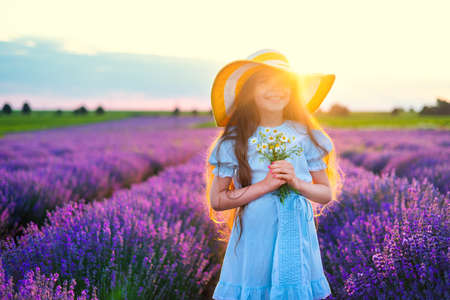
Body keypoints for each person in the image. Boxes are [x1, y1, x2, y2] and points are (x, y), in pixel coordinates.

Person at [205, 49, 342, 300]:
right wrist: (266, 185)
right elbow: (217, 200)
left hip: (296, 234)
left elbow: (326, 193)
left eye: (283, 83)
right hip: (256, 234)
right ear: (249, 91)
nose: (275, 89)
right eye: (264, 82)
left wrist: (297, 182)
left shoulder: (306, 135)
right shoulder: (234, 140)